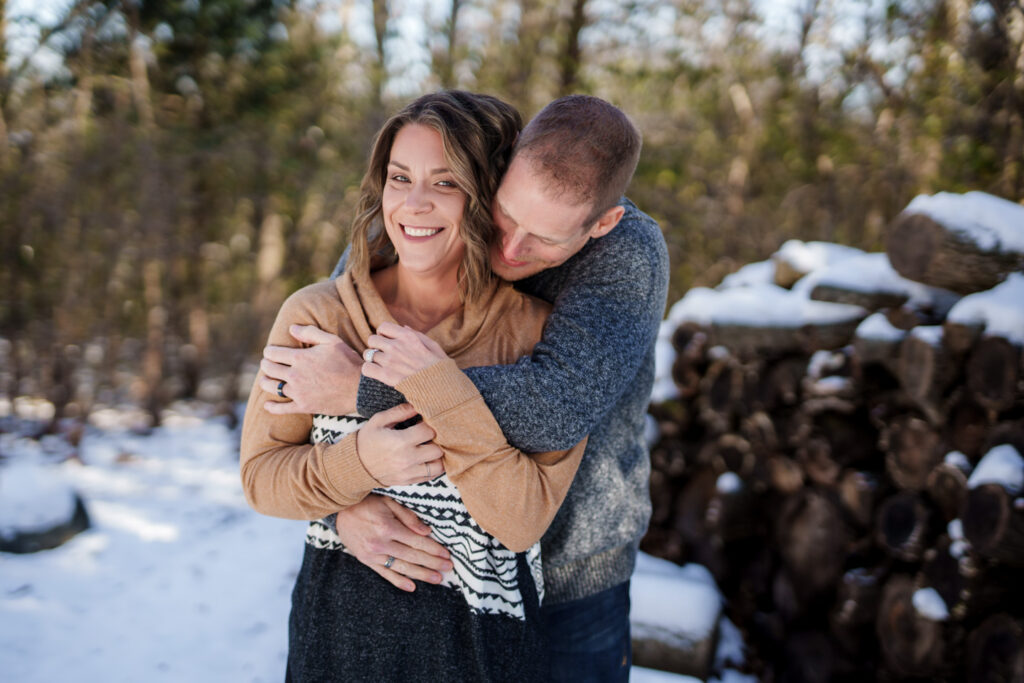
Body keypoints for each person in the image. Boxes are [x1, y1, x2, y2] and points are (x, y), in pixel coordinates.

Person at [260, 94, 670, 682]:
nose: (510, 249)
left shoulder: (626, 253)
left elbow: (551, 408)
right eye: (506, 215)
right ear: (504, 168)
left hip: (572, 572)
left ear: (602, 223)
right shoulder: (423, 211)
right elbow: (339, 339)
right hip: (432, 567)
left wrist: (362, 389)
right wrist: (342, 499)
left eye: (544, 240)